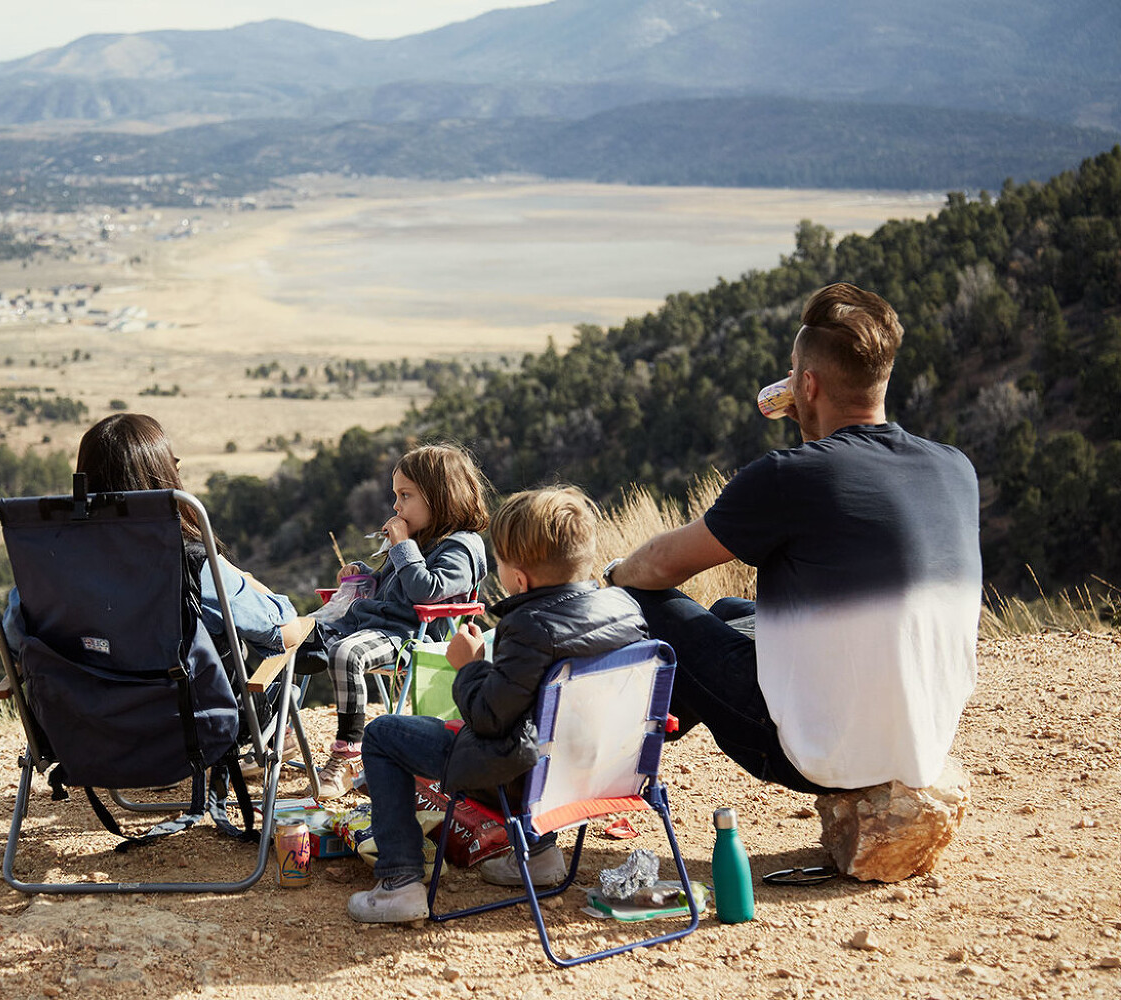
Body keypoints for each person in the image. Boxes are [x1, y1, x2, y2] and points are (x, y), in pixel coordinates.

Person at [602, 282, 981, 794]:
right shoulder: (955, 468)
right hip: (922, 746)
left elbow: (663, 565)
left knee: (644, 601)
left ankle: (596, 756)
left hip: (817, 756)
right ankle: (628, 752)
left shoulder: (790, 476)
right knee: (728, 613)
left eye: (791, 371)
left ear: (807, 385)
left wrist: (613, 577)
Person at [346, 487, 649, 923]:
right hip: (601, 771)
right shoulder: (626, 608)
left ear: (519, 579)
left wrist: (469, 666)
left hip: (523, 781)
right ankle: (541, 855)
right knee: (547, 724)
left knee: (382, 734)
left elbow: (488, 719)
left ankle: (400, 883)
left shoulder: (528, 627)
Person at [1, 412, 314, 660]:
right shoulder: (190, 566)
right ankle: (282, 735)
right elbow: (284, 632)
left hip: (79, 735)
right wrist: (236, 573)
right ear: (163, 478)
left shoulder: (47, 564)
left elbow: (16, 644)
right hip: (188, 734)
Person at [310, 443, 491, 799]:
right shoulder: (418, 539)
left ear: (441, 497)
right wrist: (363, 576)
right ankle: (279, 734)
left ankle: (349, 751)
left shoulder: (462, 549)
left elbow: (427, 591)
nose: (396, 506)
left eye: (405, 495)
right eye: (396, 495)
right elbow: (394, 588)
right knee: (295, 637)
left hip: (411, 637)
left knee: (347, 654)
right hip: (377, 626)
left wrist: (403, 546)